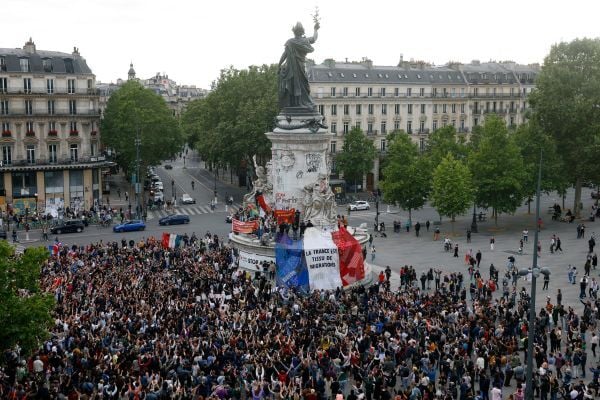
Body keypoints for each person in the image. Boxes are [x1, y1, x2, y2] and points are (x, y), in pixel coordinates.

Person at [278, 20, 319, 110]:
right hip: (296, 68)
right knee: (301, 85)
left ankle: (297, 103)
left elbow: (284, 55)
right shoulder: (302, 41)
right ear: (301, 31)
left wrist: (279, 64)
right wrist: (315, 29)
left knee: (296, 85)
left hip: (294, 68)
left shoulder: (291, 42)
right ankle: (297, 104)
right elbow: (314, 38)